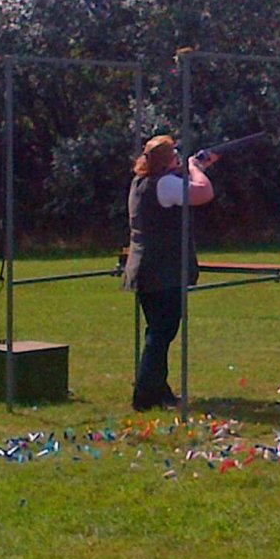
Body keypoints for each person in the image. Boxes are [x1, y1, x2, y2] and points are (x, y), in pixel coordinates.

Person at [122, 134, 217, 412]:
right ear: (167, 161)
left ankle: (159, 392)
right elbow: (204, 192)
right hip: (162, 269)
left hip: (146, 266)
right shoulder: (164, 183)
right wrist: (196, 168)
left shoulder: (142, 182)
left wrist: (189, 167)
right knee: (161, 333)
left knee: (159, 332)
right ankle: (143, 394)